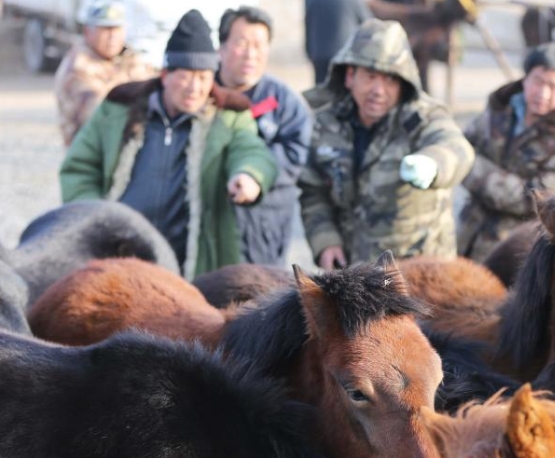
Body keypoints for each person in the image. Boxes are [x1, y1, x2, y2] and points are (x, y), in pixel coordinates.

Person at [59, 9, 277, 279]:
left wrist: (248, 176)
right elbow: (80, 166)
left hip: (192, 261)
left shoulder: (229, 117)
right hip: (118, 252)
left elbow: (252, 151)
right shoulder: (118, 110)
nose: (194, 88)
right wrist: (94, 216)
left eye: (203, 77)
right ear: (165, 75)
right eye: (185, 75)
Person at [299, 18, 475, 270]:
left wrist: (433, 163)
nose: (379, 90)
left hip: (418, 274)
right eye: (370, 76)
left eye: (390, 80)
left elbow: (456, 148)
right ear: (350, 76)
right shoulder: (326, 123)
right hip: (354, 274)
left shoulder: (422, 117)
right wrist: (326, 241)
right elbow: (313, 191)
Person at [457, 42, 555, 261]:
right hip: (468, 235)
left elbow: (539, 201)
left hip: (521, 251)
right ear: (525, 79)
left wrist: (470, 167)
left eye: (553, 86)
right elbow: (462, 145)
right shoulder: (501, 107)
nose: (542, 93)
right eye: (537, 81)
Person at [217, 6, 312, 266]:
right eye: (242, 43)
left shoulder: (283, 101)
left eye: (259, 45)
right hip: (212, 218)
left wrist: (254, 177)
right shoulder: (203, 92)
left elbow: (296, 153)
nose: (251, 54)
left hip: (264, 224)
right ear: (221, 47)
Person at [53, 0, 154, 146]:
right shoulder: (78, 67)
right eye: (105, 30)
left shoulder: (131, 59)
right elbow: (101, 114)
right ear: (88, 32)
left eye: (117, 29)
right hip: (92, 154)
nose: (112, 36)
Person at [304, 0, 372, 84]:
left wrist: (309, 52)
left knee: (321, 91)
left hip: (319, 54)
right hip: (343, 55)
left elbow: (308, 23)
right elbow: (369, 25)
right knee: (342, 91)